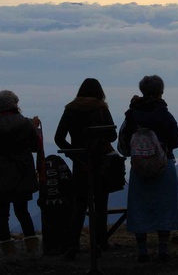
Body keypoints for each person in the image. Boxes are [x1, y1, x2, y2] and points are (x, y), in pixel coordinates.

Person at [118, 75, 178, 262]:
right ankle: (163, 250)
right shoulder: (164, 114)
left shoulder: (131, 114)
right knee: (165, 206)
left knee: (140, 207)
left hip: (139, 167)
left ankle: (142, 251)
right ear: (161, 91)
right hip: (164, 165)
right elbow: (176, 142)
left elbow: (124, 143)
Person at [54, 78, 117, 260]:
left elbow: (59, 137)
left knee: (79, 205)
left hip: (80, 163)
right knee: (101, 204)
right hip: (100, 161)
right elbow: (112, 135)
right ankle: (100, 243)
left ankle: (73, 245)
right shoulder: (101, 108)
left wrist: (74, 154)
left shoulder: (70, 108)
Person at [0, 90, 42, 257]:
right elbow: (35, 147)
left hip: (0, 171)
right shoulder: (26, 124)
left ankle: (8, 250)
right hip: (22, 171)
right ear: (15, 103)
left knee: (2, 213)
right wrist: (35, 128)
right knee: (22, 211)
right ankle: (31, 247)